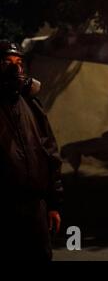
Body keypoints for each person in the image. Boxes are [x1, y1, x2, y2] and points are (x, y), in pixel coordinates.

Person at [0, 40, 63, 260]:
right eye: (7, 62)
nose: (14, 68)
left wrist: (53, 204)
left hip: (36, 208)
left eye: (18, 62)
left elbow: (50, 153)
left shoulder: (32, 105)